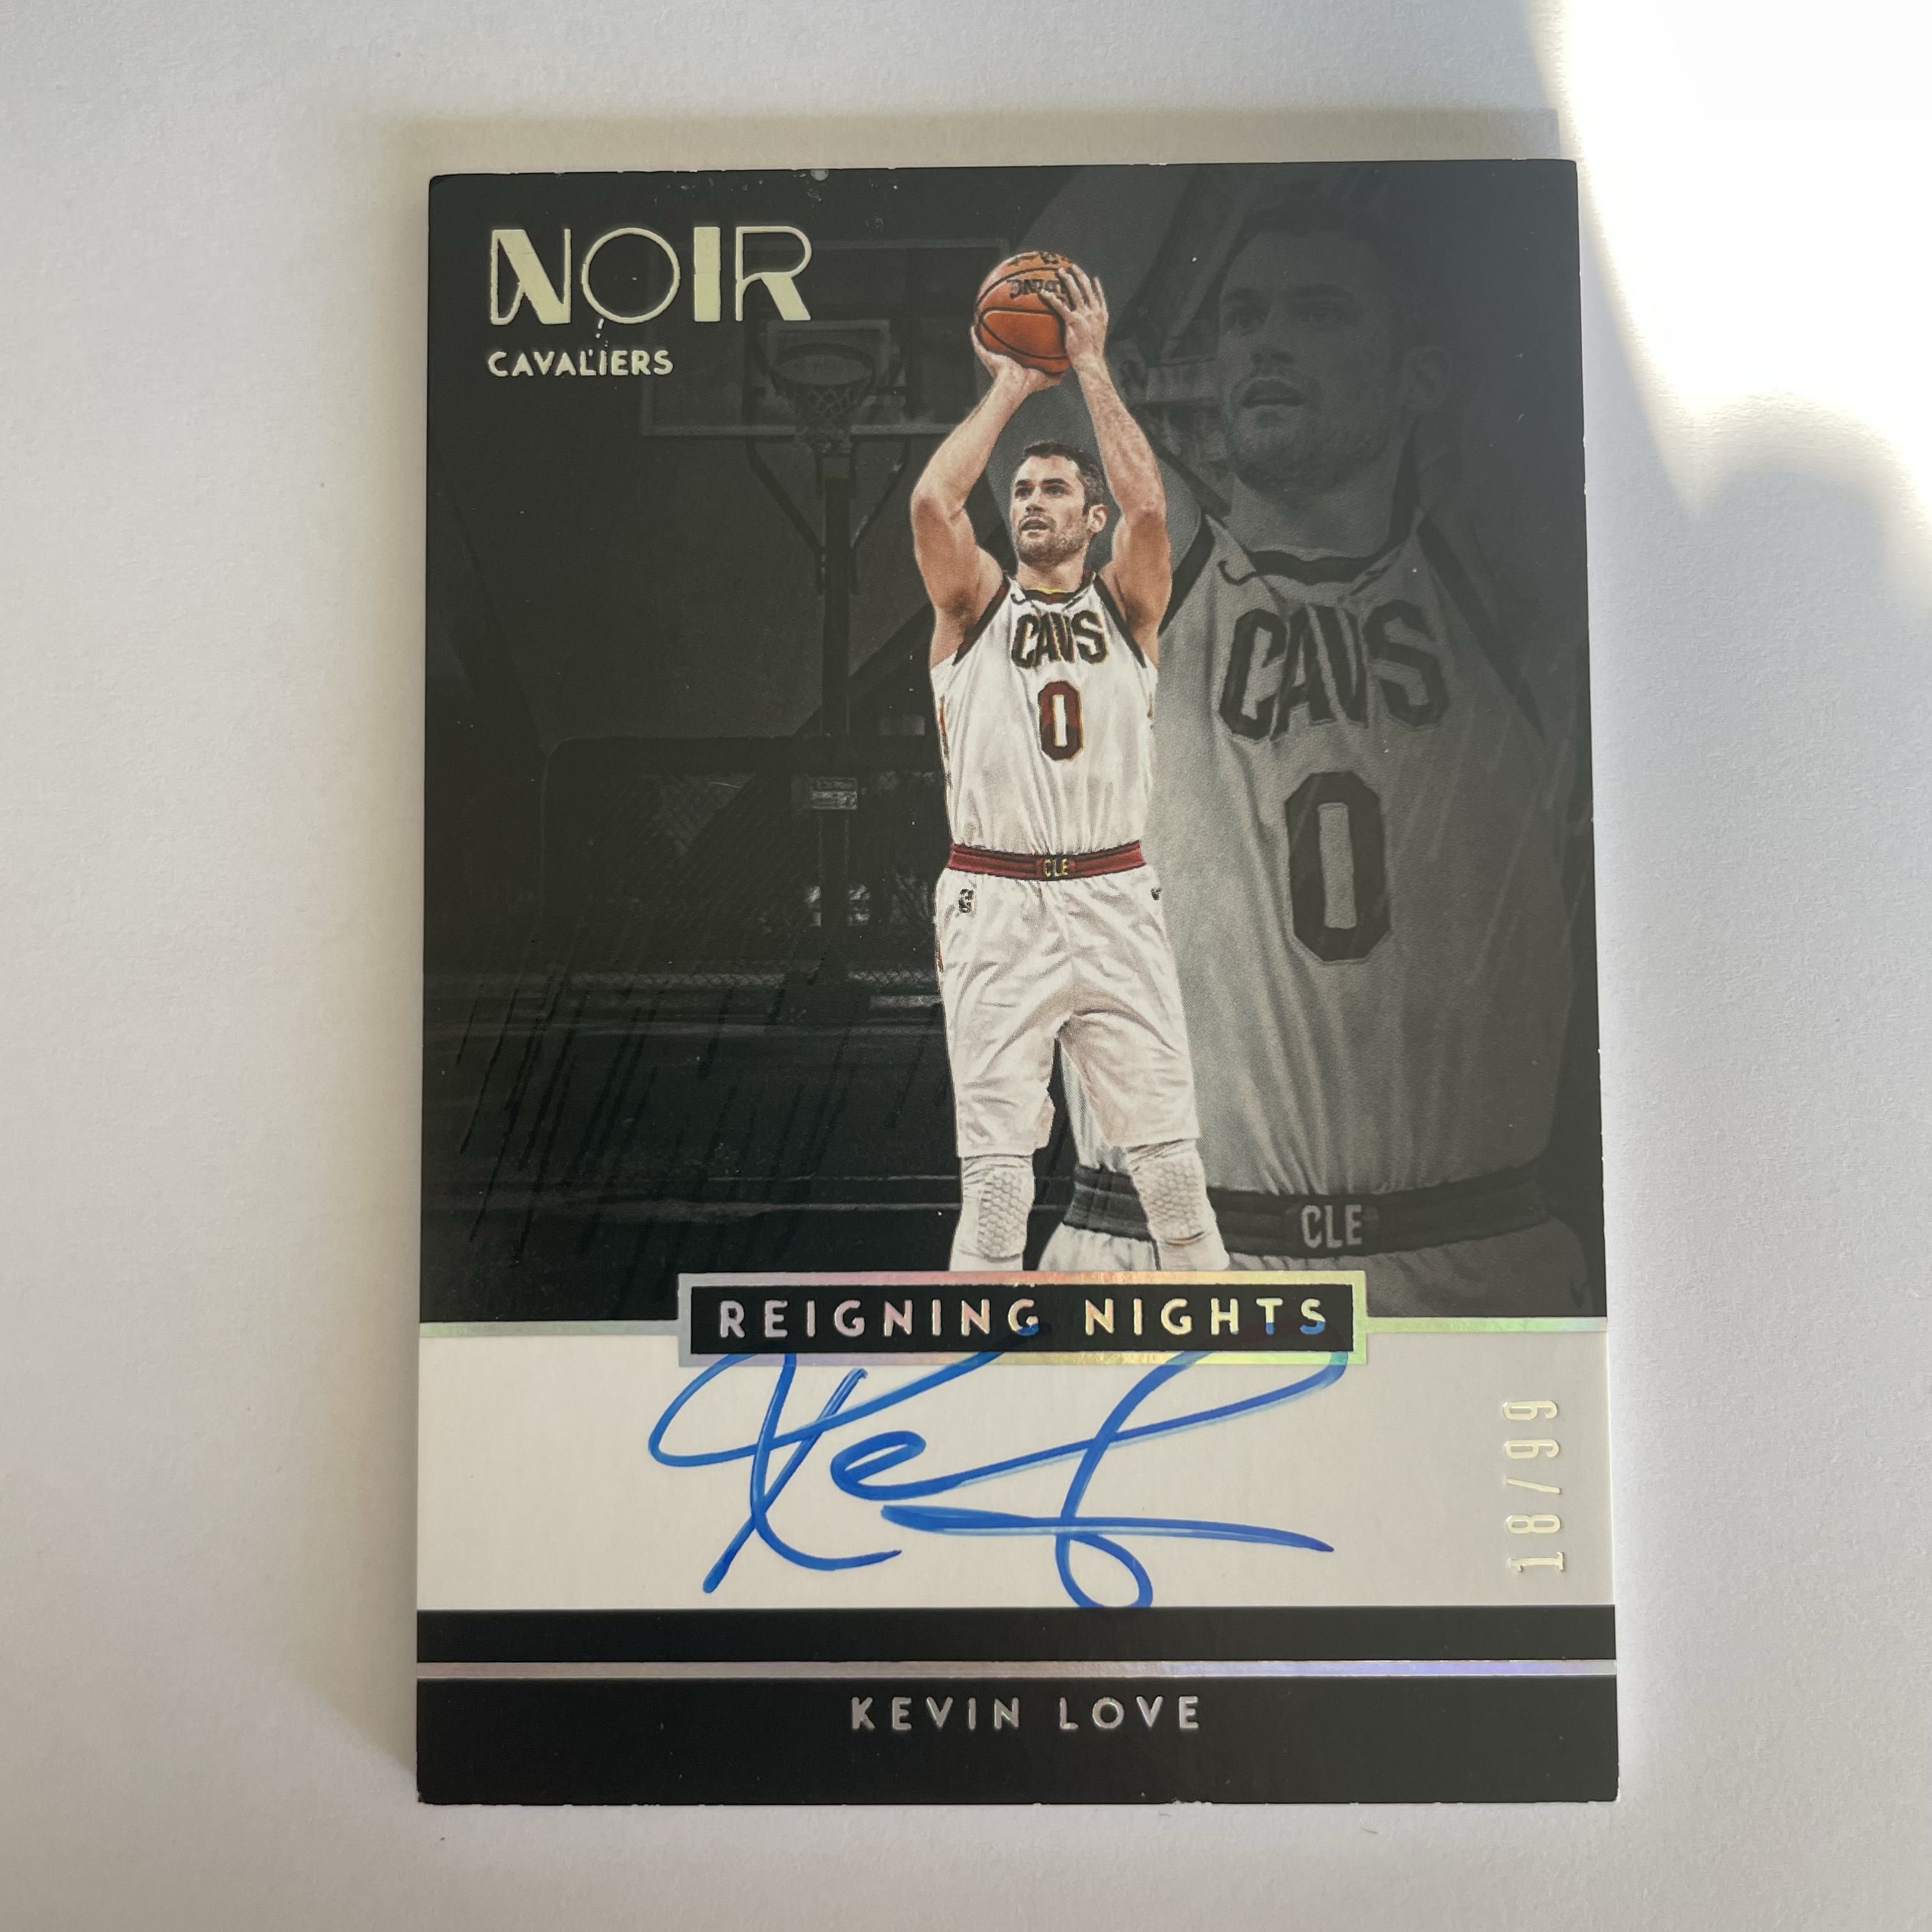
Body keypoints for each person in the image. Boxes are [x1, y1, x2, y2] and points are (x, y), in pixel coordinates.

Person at [1036, 208, 1588, 1315]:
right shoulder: (1149, 578)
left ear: (1420, 376)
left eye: (1319, 313)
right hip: (1161, 1257)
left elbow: (1573, 417)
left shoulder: (1503, 594)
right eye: (1243, 318)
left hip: (1468, 1256)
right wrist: (1194, 141)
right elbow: (1022, 328)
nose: (1268, 344)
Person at [908, 262, 1228, 1275]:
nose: (1032, 501)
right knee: (1000, 1192)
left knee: (1173, 1177)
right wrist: (1010, 385)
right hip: (995, 899)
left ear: (1091, 520)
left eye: (1055, 488)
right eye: (1021, 490)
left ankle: (1224, 1364)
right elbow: (932, 501)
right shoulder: (973, 605)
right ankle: (979, 1366)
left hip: (1111, 891)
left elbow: (1152, 511)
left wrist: (1089, 364)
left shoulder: (1128, 606)